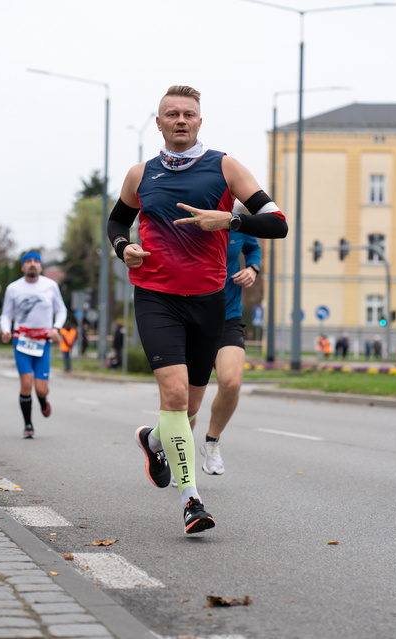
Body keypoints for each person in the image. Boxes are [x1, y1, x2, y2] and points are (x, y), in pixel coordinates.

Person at [107, 85, 288, 535]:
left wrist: (228, 219)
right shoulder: (140, 174)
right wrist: (123, 247)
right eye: (172, 114)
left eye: (189, 113)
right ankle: (192, 501)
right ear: (160, 123)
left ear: (200, 122)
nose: (181, 120)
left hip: (209, 303)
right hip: (156, 297)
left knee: (186, 410)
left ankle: (153, 439)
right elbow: (116, 221)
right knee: (172, 396)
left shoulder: (225, 167)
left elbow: (277, 223)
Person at [192, 231, 261, 477]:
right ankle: (180, 451)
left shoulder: (237, 223)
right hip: (189, 319)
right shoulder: (184, 219)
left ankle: (211, 443)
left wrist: (253, 268)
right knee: (187, 403)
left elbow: (253, 248)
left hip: (228, 316)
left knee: (231, 382)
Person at [0, 251, 67, 438]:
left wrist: (56, 328)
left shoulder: (50, 286)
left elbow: (61, 310)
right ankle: (28, 424)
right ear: (22, 267)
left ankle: (43, 398)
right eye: (28, 261)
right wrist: (6, 329)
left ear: (40, 266)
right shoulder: (13, 288)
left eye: (35, 261)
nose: (32, 264)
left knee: (40, 388)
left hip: (43, 341)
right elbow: (6, 314)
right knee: (26, 383)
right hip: (21, 340)